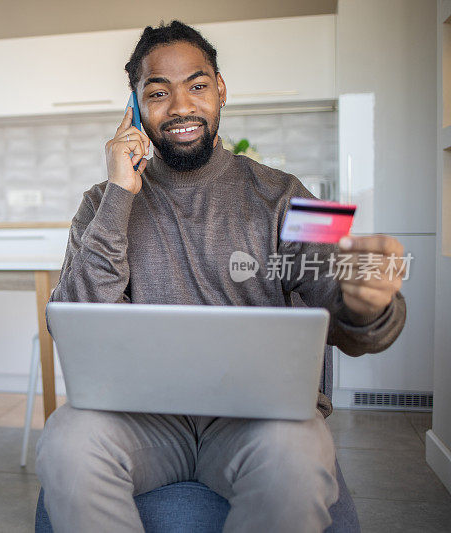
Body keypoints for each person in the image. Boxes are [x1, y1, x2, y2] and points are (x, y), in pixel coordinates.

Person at [36, 21, 407, 533]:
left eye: (197, 85)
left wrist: (371, 305)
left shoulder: (288, 193)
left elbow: (343, 298)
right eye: (158, 92)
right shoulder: (101, 203)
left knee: (299, 450)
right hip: (143, 422)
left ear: (221, 91)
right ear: (134, 106)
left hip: (257, 424)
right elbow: (71, 322)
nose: (181, 106)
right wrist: (122, 193)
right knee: (65, 438)